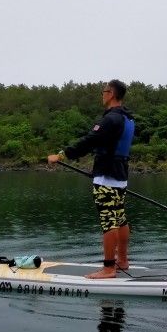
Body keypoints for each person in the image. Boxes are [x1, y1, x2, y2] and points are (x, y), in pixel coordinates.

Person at [48, 79, 135, 278]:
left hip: (106, 178)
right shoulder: (129, 119)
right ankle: (123, 260)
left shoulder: (111, 118)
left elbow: (89, 141)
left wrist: (61, 155)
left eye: (104, 91)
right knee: (120, 219)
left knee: (108, 222)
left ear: (111, 93)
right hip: (120, 177)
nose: (102, 95)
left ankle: (109, 268)